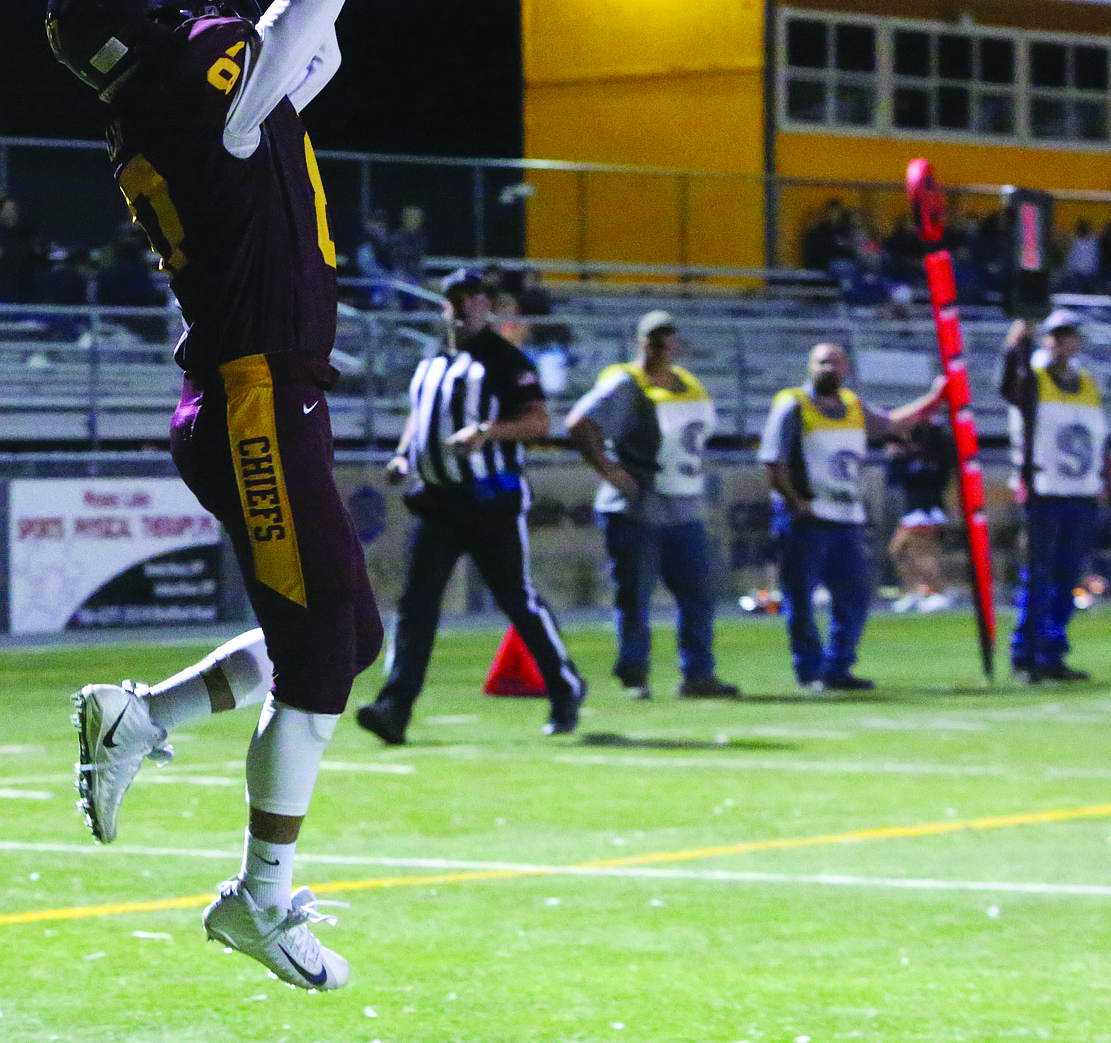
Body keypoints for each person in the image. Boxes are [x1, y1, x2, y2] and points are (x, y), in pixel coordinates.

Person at [46, 0, 383, 990]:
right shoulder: (197, 81)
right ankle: (260, 897)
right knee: (323, 662)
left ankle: (142, 719)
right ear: (148, 15)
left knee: (354, 638)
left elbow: (317, 29)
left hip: (258, 395)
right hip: (253, 399)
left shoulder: (178, 96)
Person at [357, 267, 586, 745]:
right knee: (417, 606)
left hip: (490, 503)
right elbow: (420, 418)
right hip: (438, 503)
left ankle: (565, 686)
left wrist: (488, 433)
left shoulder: (504, 360)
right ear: (445, 305)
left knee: (516, 601)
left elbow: (540, 421)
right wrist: (403, 456)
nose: (464, 307)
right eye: (456, 298)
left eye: (473, 298)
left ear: (487, 304)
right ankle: (394, 707)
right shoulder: (433, 359)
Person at [565, 310, 738, 701]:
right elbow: (579, 422)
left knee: (698, 595)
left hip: (684, 506)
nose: (663, 345)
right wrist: (611, 472)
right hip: (638, 507)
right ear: (641, 341)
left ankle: (698, 674)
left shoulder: (688, 382)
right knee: (635, 597)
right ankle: (635, 673)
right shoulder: (626, 382)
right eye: (655, 337)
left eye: (668, 337)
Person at [759, 342, 945, 690]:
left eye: (835, 362)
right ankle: (811, 669)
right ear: (810, 366)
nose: (829, 368)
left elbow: (890, 424)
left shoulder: (853, 405)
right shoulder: (793, 405)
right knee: (800, 599)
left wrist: (934, 400)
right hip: (807, 518)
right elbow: (773, 459)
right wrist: (794, 501)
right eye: (822, 362)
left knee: (855, 596)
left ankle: (838, 666)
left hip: (845, 517)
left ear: (847, 368)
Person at [1002, 309, 1106, 682]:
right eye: (1056, 336)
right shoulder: (1035, 380)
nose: (1063, 343)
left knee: (1067, 578)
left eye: (1068, 336)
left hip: (1080, 493)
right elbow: (1010, 384)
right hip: (1044, 493)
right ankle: (1026, 655)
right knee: (1039, 576)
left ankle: (1051, 653)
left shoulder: (1089, 384)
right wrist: (1016, 345)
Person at [885, 417, 956, 613]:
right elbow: (894, 480)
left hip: (929, 512)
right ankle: (919, 590)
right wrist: (895, 458)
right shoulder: (907, 458)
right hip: (912, 513)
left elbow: (938, 480)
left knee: (923, 555)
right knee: (899, 551)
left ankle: (940, 592)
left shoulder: (936, 458)